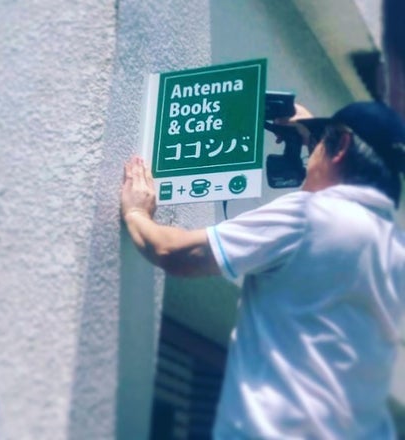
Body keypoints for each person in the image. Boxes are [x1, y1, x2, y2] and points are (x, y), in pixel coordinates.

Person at [120, 101, 405, 439]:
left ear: (341, 145)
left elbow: (177, 253)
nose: (309, 157)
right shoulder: (396, 249)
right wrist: (316, 133)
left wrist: (136, 213)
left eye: (318, 146)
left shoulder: (311, 215)